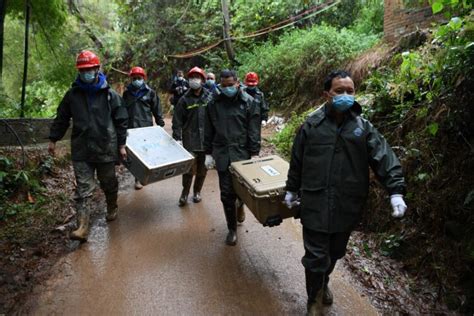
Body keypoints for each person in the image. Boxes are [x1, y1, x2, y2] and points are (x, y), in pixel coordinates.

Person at [284, 70, 407, 315]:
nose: (345, 95)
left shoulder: (363, 127)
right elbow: (297, 160)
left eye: (350, 91)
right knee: (316, 255)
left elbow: (384, 157)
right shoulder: (311, 126)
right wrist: (291, 189)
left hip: (347, 203)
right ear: (326, 94)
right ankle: (313, 301)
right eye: (339, 91)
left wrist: (395, 191)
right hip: (315, 201)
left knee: (335, 252)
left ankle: (324, 281)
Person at [48, 50, 128, 242]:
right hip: (82, 148)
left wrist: (122, 145)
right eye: (83, 70)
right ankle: (82, 226)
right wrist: (53, 139)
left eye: (89, 69)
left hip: (105, 147)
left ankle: (112, 205)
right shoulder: (72, 95)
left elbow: (121, 120)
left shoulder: (111, 95)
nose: (86, 73)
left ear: (97, 69)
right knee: (83, 188)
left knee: (108, 182)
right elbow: (62, 118)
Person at [204, 69, 261, 246]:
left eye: (231, 85)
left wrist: (254, 153)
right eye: (224, 85)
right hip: (222, 153)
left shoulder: (249, 102)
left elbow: (254, 130)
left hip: (242, 154)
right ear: (220, 84)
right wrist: (207, 153)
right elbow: (208, 129)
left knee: (241, 191)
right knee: (226, 194)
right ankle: (231, 229)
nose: (228, 88)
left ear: (237, 83)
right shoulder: (213, 103)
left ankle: (240, 206)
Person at [172, 66, 211, 206]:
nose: (195, 80)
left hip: (206, 142)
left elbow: (216, 118)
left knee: (202, 170)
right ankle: (185, 193)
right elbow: (177, 120)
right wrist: (177, 138)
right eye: (192, 77)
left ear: (202, 80)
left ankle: (197, 192)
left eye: (197, 77)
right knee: (188, 170)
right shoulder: (184, 100)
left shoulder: (210, 97)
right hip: (190, 140)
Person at [123, 66, 165, 190]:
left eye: (139, 78)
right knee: (133, 154)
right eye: (134, 78)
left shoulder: (150, 92)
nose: (137, 80)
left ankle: (141, 178)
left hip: (145, 127)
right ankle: (137, 176)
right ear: (131, 79)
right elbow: (122, 110)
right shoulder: (126, 93)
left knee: (144, 152)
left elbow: (156, 108)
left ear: (144, 78)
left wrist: (160, 123)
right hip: (130, 128)